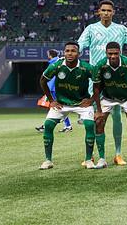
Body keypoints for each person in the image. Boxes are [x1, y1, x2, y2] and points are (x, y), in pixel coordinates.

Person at [77, 0, 127, 166]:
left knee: (118, 118)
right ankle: (90, 156)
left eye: (109, 10)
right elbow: (79, 46)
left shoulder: (120, 29)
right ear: (99, 12)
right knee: (92, 119)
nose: (106, 13)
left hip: (117, 80)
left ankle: (118, 154)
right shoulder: (91, 29)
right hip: (96, 79)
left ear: (113, 12)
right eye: (103, 10)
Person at [39, 42, 95, 170]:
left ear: (79, 53)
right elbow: (43, 80)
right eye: (67, 51)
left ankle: (88, 160)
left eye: (73, 51)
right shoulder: (57, 66)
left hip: (81, 103)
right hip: (61, 104)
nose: (70, 53)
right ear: (64, 53)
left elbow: (99, 82)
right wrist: (52, 100)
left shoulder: (86, 67)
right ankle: (48, 160)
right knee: (48, 125)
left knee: (90, 125)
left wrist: (91, 99)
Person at [91, 42, 127, 169]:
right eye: (110, 54)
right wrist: (98, 110)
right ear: (106, 53)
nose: (112, 56)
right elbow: (96, 88)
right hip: (108, 97)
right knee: (99, 121)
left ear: (120, 53)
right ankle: (102, 159)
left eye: (115, 53)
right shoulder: (100, 65)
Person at [35, 49, 73, 133]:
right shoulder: (59, 61)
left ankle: (46, 126)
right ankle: (67, 126)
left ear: (50, 55)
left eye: (48, 54)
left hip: (54, 89)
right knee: (58, 108)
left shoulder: (54, 62)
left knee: (56, 107)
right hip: (55, 88)